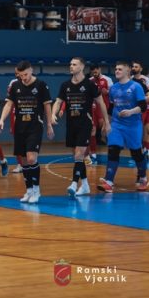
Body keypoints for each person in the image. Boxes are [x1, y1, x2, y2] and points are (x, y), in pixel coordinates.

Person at [51, 57, 110, 196]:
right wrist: (53, 114)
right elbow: (58, 102)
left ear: (82, 67)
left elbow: (101, 103)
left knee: (79, 154)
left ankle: (73, 184)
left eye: (74, 64)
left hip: (85, 124)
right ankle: (85, 185)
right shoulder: (65, 85)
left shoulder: (90, 85)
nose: (71, 66)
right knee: (77, 157)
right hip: (71, 124)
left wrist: (106, 122)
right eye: (70, 64)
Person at [0, 61, 55, 203]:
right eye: (21, 75)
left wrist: (49, 125)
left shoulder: (41, 85)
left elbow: (47, 106)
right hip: (20, 127)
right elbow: (9, 104)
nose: (24, 78)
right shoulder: (16, 85)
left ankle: (36, 189)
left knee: (31, 159)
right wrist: (1, 120)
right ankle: (28, 190)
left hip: (35, 126)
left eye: (26, 74)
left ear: (31, 70)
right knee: (23, 161)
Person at [95, 61, 149, 193]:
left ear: (128, 71)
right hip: (117, 125)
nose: (117, 71)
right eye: (116, 69)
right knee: (113, 149)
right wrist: (106, 123)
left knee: (136, 153)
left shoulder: (136, 87)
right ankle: (109, 181)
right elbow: (111, 107)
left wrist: (130, 111)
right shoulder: (113, 88)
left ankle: (143, 178)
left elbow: (143, 106)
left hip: (133, 125)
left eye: (120, 69)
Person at [88, 64, 113, 164]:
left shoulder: (107, 79)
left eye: (96, 71)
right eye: (93, 72)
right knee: (92, 130)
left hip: (104, 107)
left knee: (104, 128)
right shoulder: (90, 81)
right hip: (93, 107)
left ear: (99, 69)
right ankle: (93, 154)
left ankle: (112, 151)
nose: (94, 73)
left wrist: (107, 92)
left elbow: (113, 93)